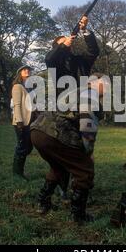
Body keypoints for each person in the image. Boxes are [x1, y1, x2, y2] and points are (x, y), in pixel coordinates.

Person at [30, 73, 107, 224]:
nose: (108, 89)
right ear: (96, 83)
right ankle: (78, 215)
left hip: (37, 132)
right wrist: (88, 152)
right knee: (85, 170)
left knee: (58, 166)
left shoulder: (75, 91)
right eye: (106, 84)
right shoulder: (90, 94)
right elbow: (87, 125)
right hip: (55, 134)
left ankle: (42, 202)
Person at [44, 15, 100, 200]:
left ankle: (81, 189)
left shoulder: (79, 61)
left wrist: (85, 30)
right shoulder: (55, 65)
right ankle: (60, 190)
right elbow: (50, 59)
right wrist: (63, 44)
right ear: (58, 48)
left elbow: (94, 51)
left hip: (81, 112)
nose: (68, 44)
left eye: (68, 41)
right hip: (64, 114)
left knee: (84, 152)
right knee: (65, 154)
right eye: (61, 43)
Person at [11, 65, 34, 181]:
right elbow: (17, 105)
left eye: (28, 69)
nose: (27, 71)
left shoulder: (29, 88)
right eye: (24, 70)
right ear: (19, 73)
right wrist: (19, 121)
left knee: (28, 147)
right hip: (21, 122)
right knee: (22, 146)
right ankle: (17, 173)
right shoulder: (17, 87)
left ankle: (19, 171)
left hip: (29, 121)